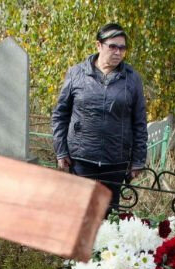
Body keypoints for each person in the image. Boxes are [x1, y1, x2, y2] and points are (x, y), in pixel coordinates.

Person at [51, 22, 147, 209]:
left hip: (115, 162)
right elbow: (60, 114)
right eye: (113, 46)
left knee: (108, 219)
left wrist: (138, 160)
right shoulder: (77, 74)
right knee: (78, 214)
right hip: (81, 160)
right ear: (99, 45)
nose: (118, 52)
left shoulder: (132, 79)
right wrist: (61, 149)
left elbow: (139, 122)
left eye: (122, 48)